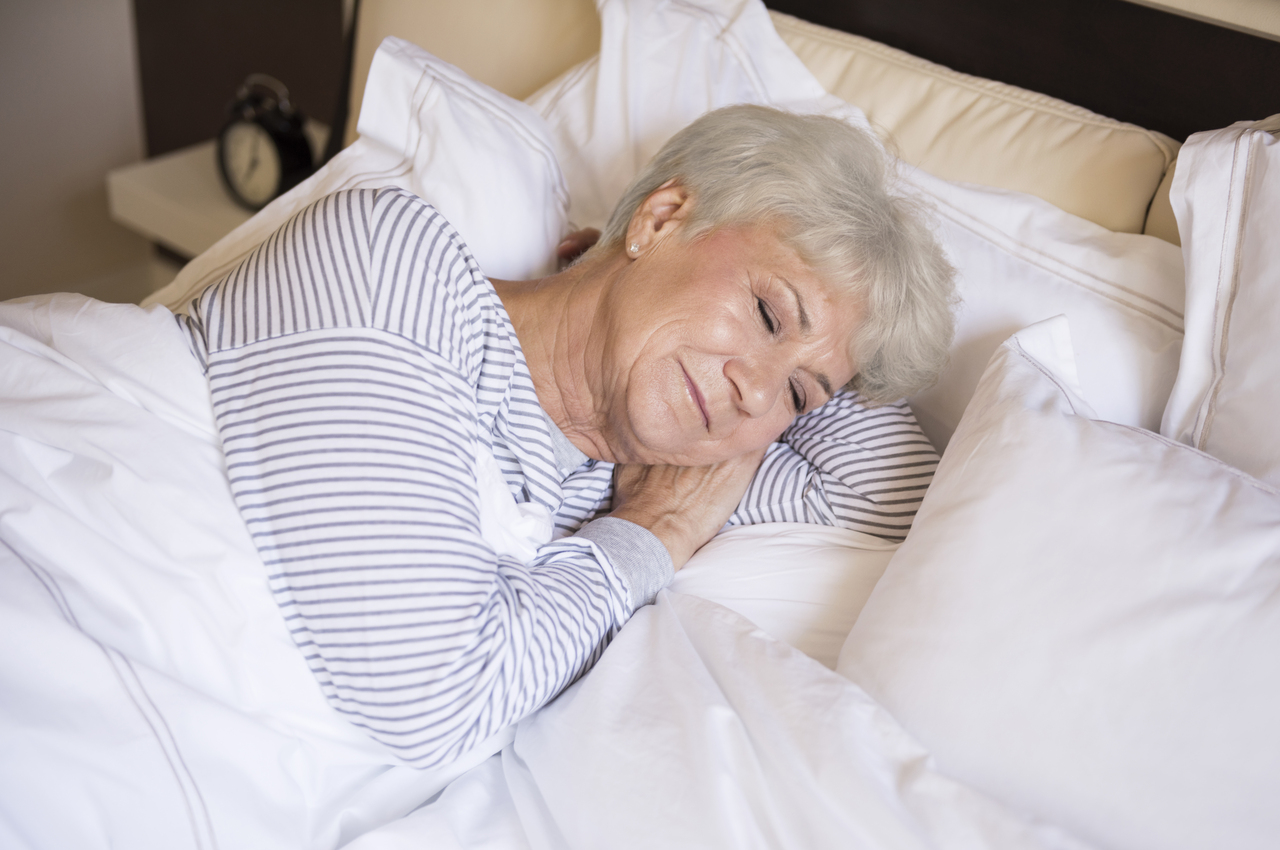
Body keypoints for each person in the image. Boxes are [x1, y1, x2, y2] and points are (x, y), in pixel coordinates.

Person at [177, 104, 954, 770]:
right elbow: (429, 699)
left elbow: (905, 503)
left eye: (795, 394)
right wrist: (656, 533)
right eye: (767, 312)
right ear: (662, 216)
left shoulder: (642, 471)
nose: (755, 392)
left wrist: (845, 351)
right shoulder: (393, 261)